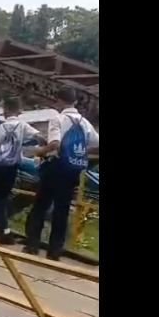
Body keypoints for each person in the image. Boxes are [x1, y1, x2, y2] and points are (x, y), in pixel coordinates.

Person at [24, 86, 99, 260]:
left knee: (40, 206)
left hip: (55, 168)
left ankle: (32, 245)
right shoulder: (84, 122)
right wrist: (82, 152)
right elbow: (97, 142)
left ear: (58, 100)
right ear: (74, 101)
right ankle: (55, 252)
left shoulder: (58, 119)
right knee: (62, 210)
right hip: (73, 170)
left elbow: (55, 144)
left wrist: (37, 152)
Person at [0, 97, 40, 245]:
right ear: (19, 110)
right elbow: (39, 136)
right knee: (3, 196)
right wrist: (43, 151)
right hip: (12, 167)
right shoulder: (23, 126)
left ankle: (4, 231)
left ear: (6, 110)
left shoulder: (0, 127)